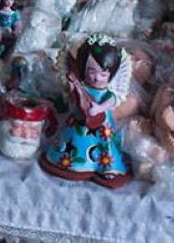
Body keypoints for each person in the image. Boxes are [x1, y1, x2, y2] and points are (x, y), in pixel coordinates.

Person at [40, 34, 132, 189]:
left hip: (102, 124)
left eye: (103, 74)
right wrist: (73, 88)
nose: (97, 78)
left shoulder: (106, 92)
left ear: (112, 74)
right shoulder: (83, 87)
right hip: (78, 122)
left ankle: (106, 166)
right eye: (91, 72)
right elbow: (75, 98)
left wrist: (100, 108)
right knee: (73, 140)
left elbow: (113, 100)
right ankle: (70, 161)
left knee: (105, 143)